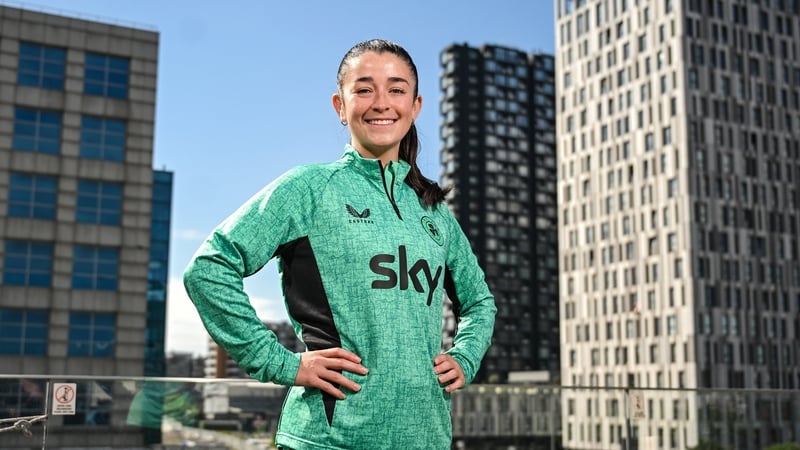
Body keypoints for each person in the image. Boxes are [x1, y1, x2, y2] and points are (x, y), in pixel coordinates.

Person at [183, 38, 496, 450]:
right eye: (364, 89)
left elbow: (479, 302)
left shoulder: (434, 212)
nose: (382, 103)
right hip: (326, 439)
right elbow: (209, 268)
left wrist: (466, 357)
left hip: (427, 437)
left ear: (415, 106)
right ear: (340, 106)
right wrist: (279, 362)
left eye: (396, 89)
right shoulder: (308, 188)